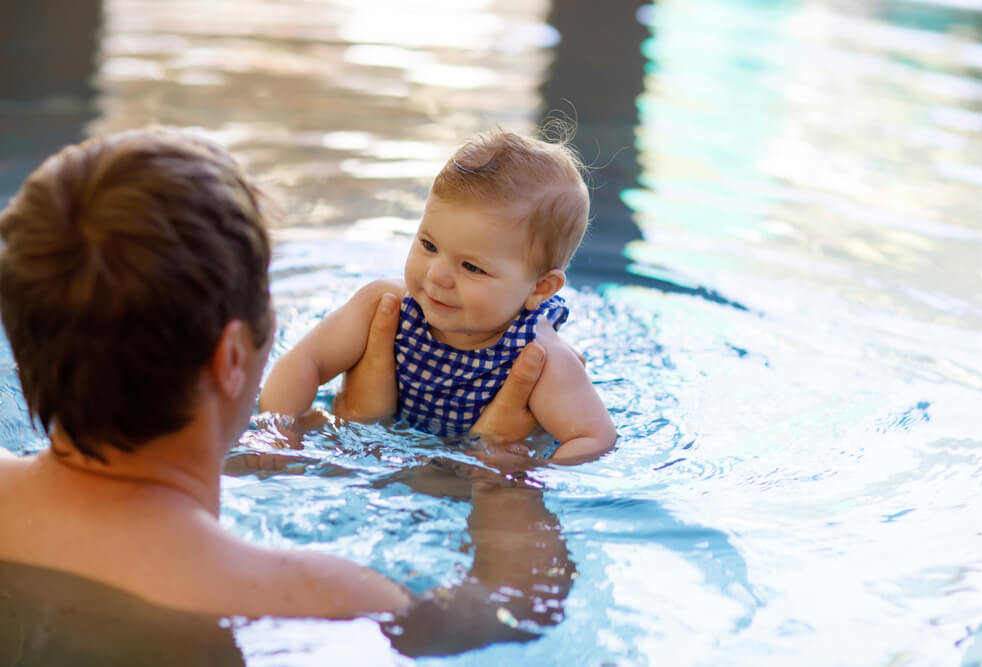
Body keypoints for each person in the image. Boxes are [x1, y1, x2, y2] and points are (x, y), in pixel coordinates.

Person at [0, 128, 561, 644]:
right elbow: (523, 611)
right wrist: (502, 471)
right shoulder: (329, 598)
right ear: (232, 358)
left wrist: (340, 432)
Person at [259, 128, 617, 464]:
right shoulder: (383, 305)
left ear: (539, 288)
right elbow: (305, 361)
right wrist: (277, 430)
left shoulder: (539, 355)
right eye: (428, 245)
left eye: (472, 267)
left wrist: (525, 473)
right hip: (381, 451)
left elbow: (594, 437)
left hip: (464, 479)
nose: (437, 275)